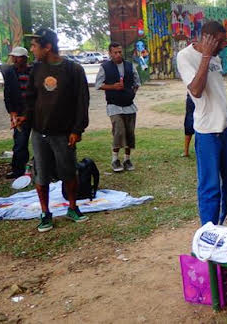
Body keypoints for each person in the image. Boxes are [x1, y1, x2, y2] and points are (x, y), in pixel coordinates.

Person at [15, 28, 90, 232]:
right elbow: (31, 99)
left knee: (68, 172)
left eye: (34, 46)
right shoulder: (36, 70)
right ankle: (45, 213)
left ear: (47, 47)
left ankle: (73, 207)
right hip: (40, 133)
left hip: (64, 133)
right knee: (41, 174)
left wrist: (77, 129)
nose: (32, 50)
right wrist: (24, 116)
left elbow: (82, 102)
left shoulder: (73, 70)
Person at [177, 21, 227, 225]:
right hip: (207, 133)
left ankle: (226, 227)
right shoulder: (185, 56)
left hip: (226, 129)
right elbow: (195, 90)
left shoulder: (216, 58)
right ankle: (208, 233)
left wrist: (210, 55)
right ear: (207, 38)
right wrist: (205, 56)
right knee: (210, 187)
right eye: (220, 41)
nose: (224, 45)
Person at [95, 42, 140, 172]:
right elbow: (98, 85)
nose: (118, 54)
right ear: (110, 53)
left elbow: (137, 83)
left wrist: (132, 93)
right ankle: (115, 159)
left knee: (129, 132)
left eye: (120, 52)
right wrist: (113, 87)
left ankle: (127, 159)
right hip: (114, 105)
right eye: (115, 52)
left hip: (129, 106)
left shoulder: (129, 66)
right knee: (119, 131)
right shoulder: (105, 67)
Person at [1, 46, 32, 179]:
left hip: (35, 111)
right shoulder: (10, 72)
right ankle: (18, 170)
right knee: (20, 143)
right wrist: (12, 113)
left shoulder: (34, 71)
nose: (14, 59)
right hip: (19, 112)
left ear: (24, 58)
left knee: (43, 141)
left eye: (17, 57)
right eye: (13, 57)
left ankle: (45, 168)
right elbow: (7, 94)